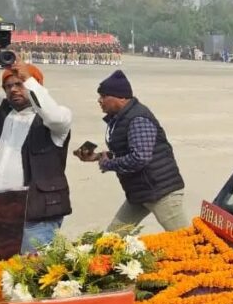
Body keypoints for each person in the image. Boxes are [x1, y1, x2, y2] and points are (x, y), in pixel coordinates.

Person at [77, 70, 188, 232]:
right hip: (141, 192)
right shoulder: (121, 118)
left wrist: (108, 164)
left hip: (160, 192)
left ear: (121, 97)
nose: (99, 100)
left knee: (187, 240)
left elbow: (140, 157)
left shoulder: (137, 119)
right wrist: (97, 156)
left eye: (104, 96)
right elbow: (126, 151)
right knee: (112, 237)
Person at [0, 63, 72, 252]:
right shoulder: (4, 114)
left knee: (33, 268)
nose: (14, 89)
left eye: (20, 84)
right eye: (8, 86)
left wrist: (28, 78)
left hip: (36, 215)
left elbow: (53, 116)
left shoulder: (58, 118)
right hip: (3, 211)